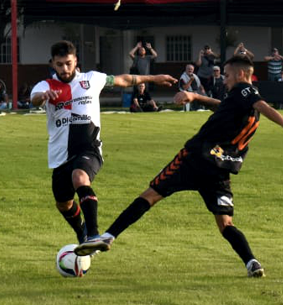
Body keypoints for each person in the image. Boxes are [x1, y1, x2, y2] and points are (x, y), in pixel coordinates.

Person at [74, 55, 283, 278]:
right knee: (225, 224)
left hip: (194, 158)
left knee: (151, 195)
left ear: (241, 74)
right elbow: (225, 106)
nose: (226, 80)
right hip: (219, 168)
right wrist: (196, 97)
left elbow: (264, 106)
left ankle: (108, 236)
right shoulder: (240, 98)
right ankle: (251, 262)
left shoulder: (246, 90)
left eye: (228, 75)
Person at [31, 41, 177, 247]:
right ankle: (81, 232)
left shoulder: (91, 79)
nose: (65, 68)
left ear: (76, 62)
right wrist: (42, 97)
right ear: (52, 64)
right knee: (63, 204)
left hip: (89, 148)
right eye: (60, 64)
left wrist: (154, 78)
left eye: (68, 63)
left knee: (79, 177)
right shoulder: (46, 86)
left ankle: (93, 235)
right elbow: (35, 98)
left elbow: (123, 79)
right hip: (60, 154)